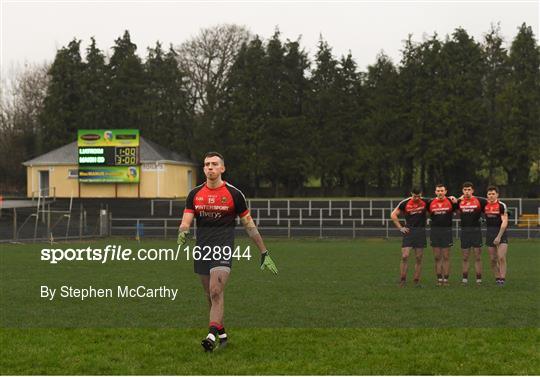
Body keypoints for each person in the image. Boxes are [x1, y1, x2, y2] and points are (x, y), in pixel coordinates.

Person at [177, 151, 278, 352]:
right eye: (206, 164)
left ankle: (210, 336)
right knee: (210, 295)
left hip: (223, 247)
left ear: (223, 168)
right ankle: (222, 334)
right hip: (202, 250)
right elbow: (186, 220)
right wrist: (183, 231)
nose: (210, 167)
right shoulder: (194, 194)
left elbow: (250, 226)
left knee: (216, 290)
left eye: (214, 164)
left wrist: (264, 252)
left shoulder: (234, 194)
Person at [391, 188, 430, 287]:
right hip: (409, 232)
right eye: (414, 196)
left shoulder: (426, 201)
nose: (416, 198)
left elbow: (439, 201)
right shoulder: (405, 203)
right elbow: (393, 214)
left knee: (418, 258)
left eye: (418, 196)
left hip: (420, 231)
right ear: (411, 194)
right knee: (405, 256)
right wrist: (400, 228)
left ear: (421, 194)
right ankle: (402, 280)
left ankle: (416, 281)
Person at [455, 182, 487, 285]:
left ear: (472, 190)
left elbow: (493, 205)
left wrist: (506, 212)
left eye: (469, 190)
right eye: (465, 190)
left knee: (477, 256)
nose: (467, 192)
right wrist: (456, 199)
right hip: (464, 232)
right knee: (465, 257)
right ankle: (464, 280)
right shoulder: (459, 202)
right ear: (462, 191)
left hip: (476, 232)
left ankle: (479, 280)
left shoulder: (480, 201)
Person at [427, 184, 458, 286]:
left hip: (447, 232)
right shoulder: (430, 202)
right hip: (435, 232)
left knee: (446, 256)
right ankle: (439, 279)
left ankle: (446, 280)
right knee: (437, 257)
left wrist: (455, 198)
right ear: (435, 192)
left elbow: (459, 203)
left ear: (445, 191)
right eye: (438, 191)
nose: (440, 192)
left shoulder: (451, 201)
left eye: (442, 191)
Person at [484, 185, 509, 286]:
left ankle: (502, 279)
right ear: (487, 195)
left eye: (493, 194)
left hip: (501, 233)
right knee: (493, 259)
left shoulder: (501, 205)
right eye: (489, 194)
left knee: (501, 257)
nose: (491, 196)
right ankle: (497, 277)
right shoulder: (484, 205)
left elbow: (504, 222)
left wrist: (499, 236)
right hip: (490, 233)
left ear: (497, 195)